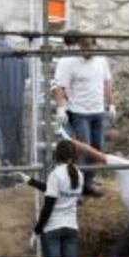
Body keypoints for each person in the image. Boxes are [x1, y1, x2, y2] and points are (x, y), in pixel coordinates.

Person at [19, 127, 129, 257]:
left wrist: (71, 141)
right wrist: (30, 180)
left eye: (117, 152)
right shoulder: (79, 175)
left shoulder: (125, 164)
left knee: (120, 250)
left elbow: (94, 154)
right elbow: (67, 189)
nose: (114, 155)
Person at [53, 34, 116, 196]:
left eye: (91, 46)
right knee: (83, 150)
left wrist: (111, 104)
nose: (89, 50)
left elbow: (107, 82)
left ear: (95, 45)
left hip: (98, 111)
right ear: (80, 47)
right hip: (79, 112)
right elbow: (60, 86)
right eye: (85, 47)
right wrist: (61, 108)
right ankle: (77, 187)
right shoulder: (70, 62)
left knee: (97, 148)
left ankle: (88, 183)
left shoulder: (101, 60)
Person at [31, 140, 84, 257]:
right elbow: (58, 193)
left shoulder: (55, 174)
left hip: (53, 228)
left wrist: (37, 230)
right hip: (71, 227)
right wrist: (31, 181)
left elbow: (48, 207)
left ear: (57, 154)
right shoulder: (79, 174)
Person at [0, 26, 28, 165]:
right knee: (15, 138)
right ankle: (17, 170)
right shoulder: (18, 56)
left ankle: (7, 173)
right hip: (17, 102)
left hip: (2, 104)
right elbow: (25, 77)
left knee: (4, 139)